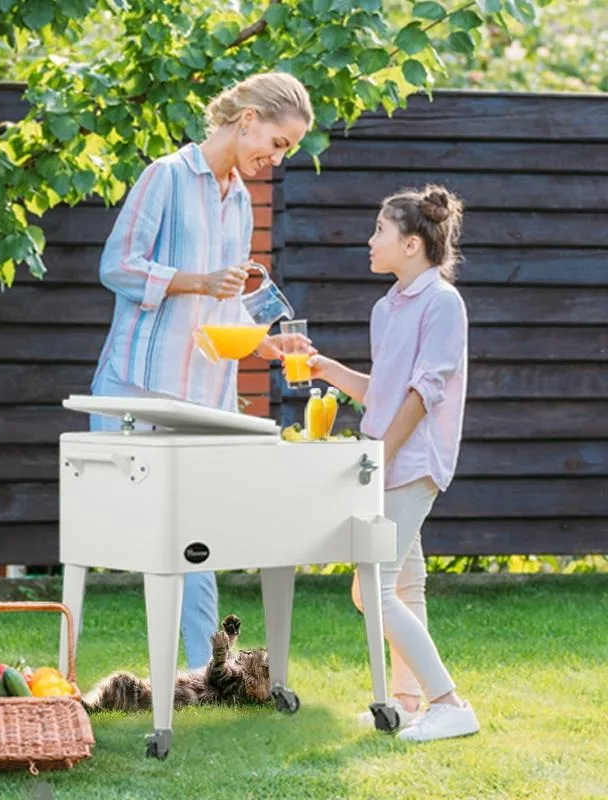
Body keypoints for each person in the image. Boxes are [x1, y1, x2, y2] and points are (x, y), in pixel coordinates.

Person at [91, 72, 313, 669]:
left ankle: (205, 671)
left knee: (198, 540)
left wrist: (264, 344)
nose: (276, 157)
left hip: (203, 395)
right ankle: (73, 671)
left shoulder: (239, 199)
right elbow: (118, 266)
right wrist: (195, 282)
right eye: (278, 142)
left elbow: (225, 303)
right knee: (110, 533)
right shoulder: (165, 176)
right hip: (139, 388)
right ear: (247, 120)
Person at [306, 185, 480, 742]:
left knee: (372, 589)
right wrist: (322, 366)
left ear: (410, 244)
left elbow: (423, 393)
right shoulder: (386, 308)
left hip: (411, 462)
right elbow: (382, 392)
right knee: (405, 587)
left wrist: (381, 456)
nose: (369, 240)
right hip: (389, 459)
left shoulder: (442, 303)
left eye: (379, 230)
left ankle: (450, 703)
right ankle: (406, 701)